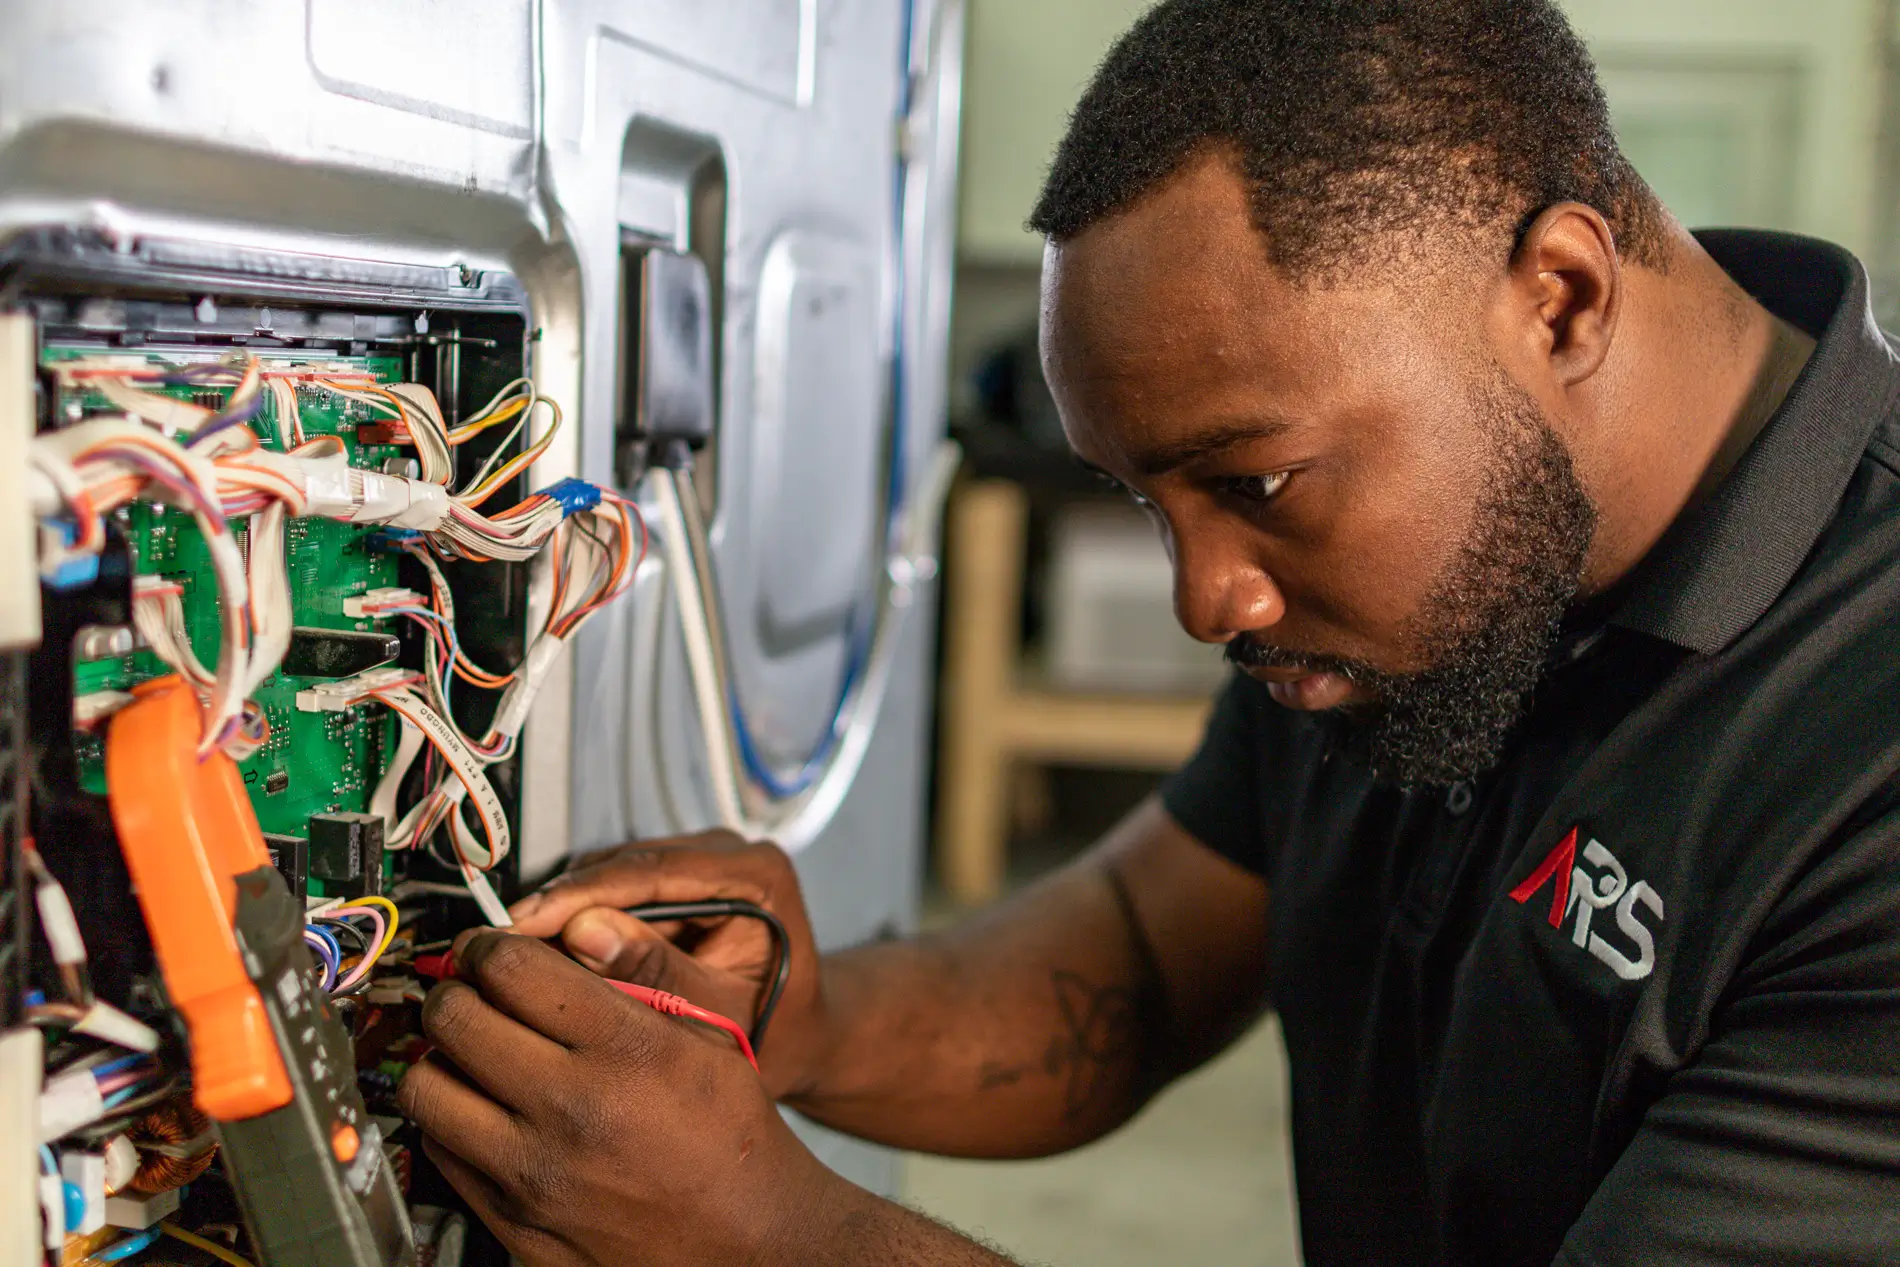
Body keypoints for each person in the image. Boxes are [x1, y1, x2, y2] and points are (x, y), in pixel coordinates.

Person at [398, 1, 1900, 1262]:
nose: (1208, 600)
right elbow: (1141, 961)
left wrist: (773, 1236)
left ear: (1561, 298)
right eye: (1145, 500)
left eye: (1255, 483)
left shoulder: (1861, 767)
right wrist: (807, 1015)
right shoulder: (1412, 598)